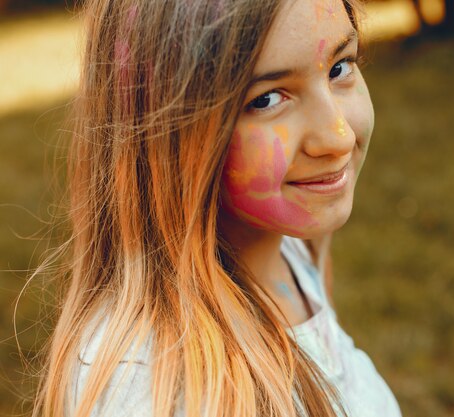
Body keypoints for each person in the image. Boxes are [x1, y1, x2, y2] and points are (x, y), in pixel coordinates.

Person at [32, 0, 402, 416]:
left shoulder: (291, 256)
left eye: (339, 68)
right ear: (163, 135)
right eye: (265, 100)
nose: (337, 136)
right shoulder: (156, 386)